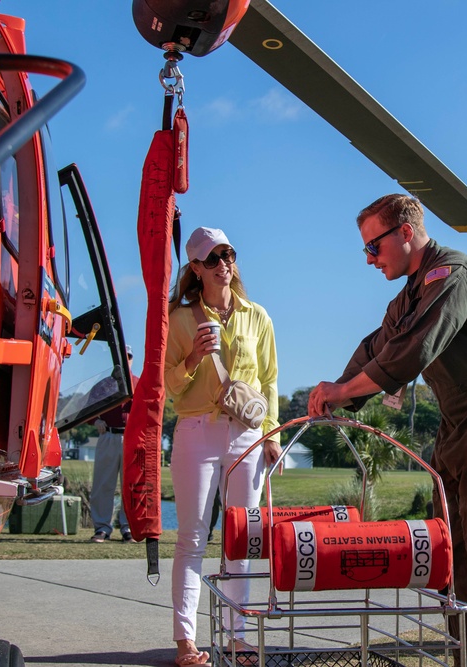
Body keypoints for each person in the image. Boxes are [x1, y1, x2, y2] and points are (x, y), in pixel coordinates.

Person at [307, 194, 467, 666]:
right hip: (460, 424)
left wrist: (342, 392)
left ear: (405, 232)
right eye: (365, 251)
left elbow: (410, 354)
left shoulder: (452, 275)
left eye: (373, 247)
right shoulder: (409, 296)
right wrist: (337, 390)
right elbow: (377, 348)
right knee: (457, 568)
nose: (370, 260)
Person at [164, 227, 282, 666]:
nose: (223, 265)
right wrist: (194, 356)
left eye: (228, 255)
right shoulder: (179, 319)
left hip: (248, 436)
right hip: (197, 430)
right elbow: (168, 385)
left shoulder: (258, 316)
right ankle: (186, 643)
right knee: (192, 538)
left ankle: (237, 636)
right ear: (195, 268)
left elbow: (269, 382)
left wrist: (272, 434)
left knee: (241, 540)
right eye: (212, 259)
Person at [89, 346, 137, 544]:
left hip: (131, 437)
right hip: (108, 435)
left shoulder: (138, 383)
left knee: (131, 485)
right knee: (103, 485)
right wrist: (94, 421)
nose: (125, 361)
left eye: (128, 357)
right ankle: (102, 528)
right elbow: (87, 409)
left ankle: (128, 528)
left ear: (132, 359)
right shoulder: (102, 385)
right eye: (121, 357)